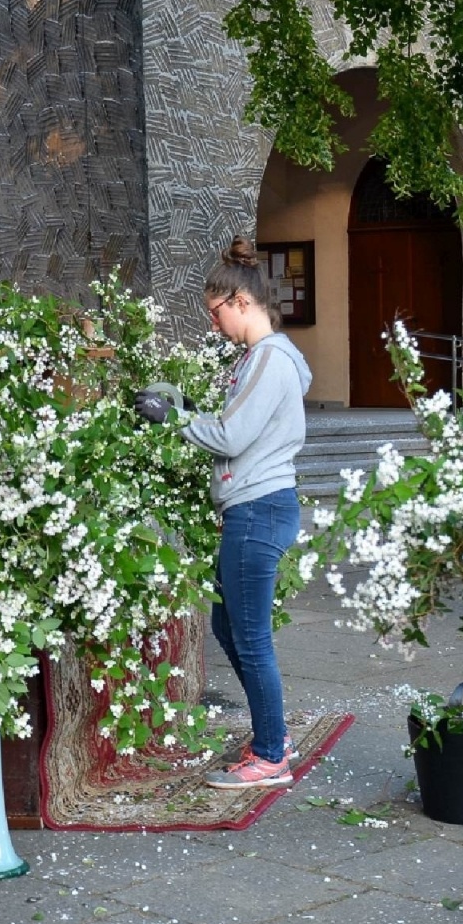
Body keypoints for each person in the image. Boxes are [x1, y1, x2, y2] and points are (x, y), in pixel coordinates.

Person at [134, 235, 312, 789]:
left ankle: (269, 756)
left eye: (216, 314)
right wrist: (189, 410)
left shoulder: (268, 357)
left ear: (240, 302)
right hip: (259, 506)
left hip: (258, 509)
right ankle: (272, 735)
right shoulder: (268, 360)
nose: (215, 327)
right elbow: (238, 427)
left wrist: (173, 418)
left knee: (250, 636)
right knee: (227, 625)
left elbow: (233, 435)